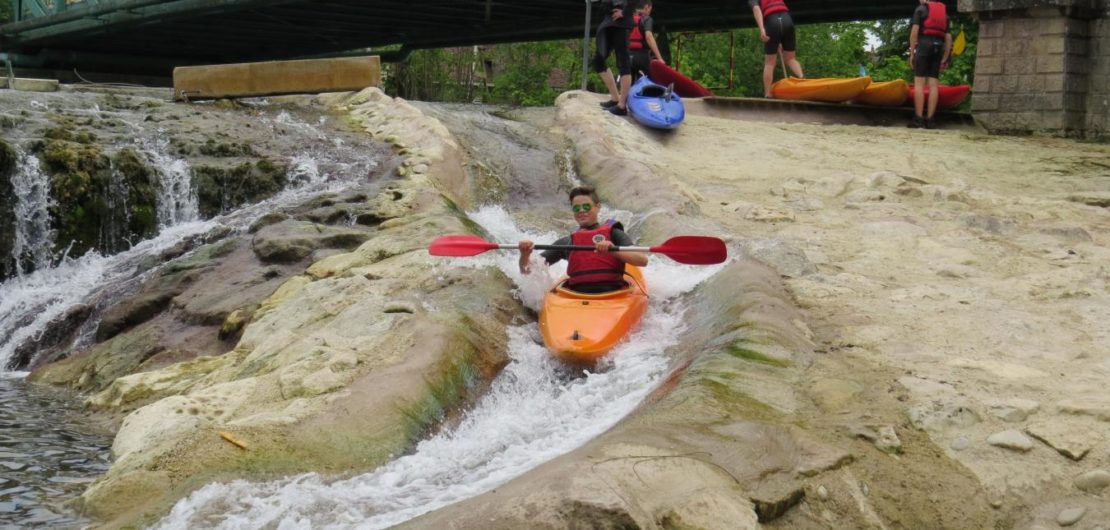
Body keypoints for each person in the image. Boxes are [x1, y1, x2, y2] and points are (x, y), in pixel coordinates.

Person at [518, 185, 648, 294]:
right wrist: (524, 254)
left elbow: (642, 260)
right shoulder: (567, 242)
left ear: (598, 207)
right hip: (576, 297)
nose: (581, 211)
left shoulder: (614, 234)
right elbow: (528, 271)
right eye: (576, 208)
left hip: (614, 293)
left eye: (586, 207)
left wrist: (613, 250)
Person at [909, 0, 954, 129]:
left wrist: (912, 53)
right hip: (938, 48)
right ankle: (930, 120)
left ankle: (918, 119)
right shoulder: (944, 15)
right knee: (934, 85)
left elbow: (914, 33)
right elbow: (948, 38)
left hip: (923, 46)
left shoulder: (920, 9)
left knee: (919, 84)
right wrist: (944, 58)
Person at [750, 0, 804, 98]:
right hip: (787, 20)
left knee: (769, 63)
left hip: (772, 22)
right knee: (791, 59)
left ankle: (767, 94)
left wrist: (762, 29)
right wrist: (778, 40)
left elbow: (756, 8)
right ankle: (803, 80)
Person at [593, 0, 636, 116]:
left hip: (621, 23)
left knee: (623, 63)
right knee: (598, 61)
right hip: (609, 21)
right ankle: (615, 98)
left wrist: (625, 12)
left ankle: (622, 106)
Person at [628, 0, 666, 83]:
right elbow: (649, 36)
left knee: (627, 86)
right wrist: (660, 58)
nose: (649, 12)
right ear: (646, 7)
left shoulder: (627, 18)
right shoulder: (647, 19)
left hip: (627, 56)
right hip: (642, 57)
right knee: (647, 83)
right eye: (650, 9)